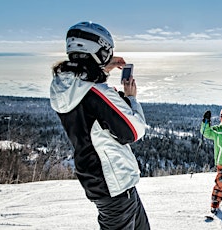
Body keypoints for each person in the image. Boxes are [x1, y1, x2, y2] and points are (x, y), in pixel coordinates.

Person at [50, 21, 150, 229]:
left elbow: (83, 81)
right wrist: (131, 99)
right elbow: (133, 131)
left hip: (102, 180)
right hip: (115, 184)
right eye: (106, 52)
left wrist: (103, 68)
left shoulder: (65, 88)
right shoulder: (96, 93)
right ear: (95, 51)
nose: (108, 56)